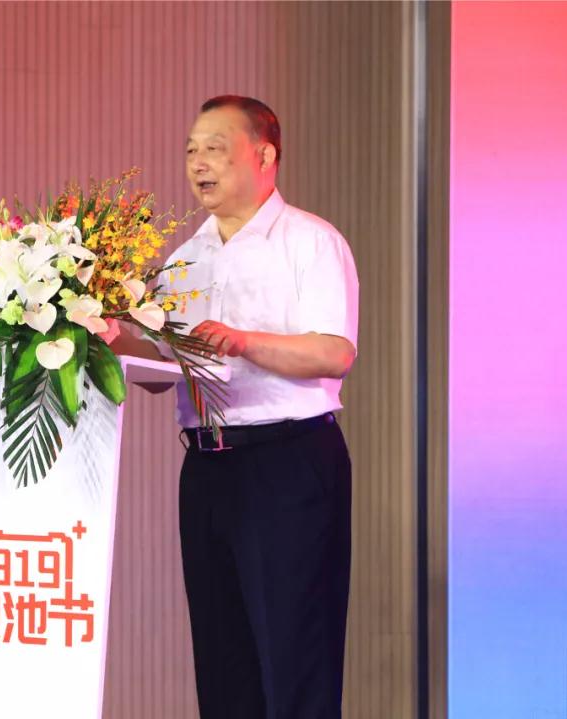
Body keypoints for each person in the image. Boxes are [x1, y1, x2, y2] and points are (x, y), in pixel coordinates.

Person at [110, 95, 359, 718]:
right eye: (191, 150)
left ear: (264, 155)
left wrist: (245, 341)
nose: (198, 163)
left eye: (215, 148)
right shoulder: (184, 259)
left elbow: (334, 353)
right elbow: (166, 371)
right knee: (223, 660)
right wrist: (109, 339)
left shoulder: (310, 241)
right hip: (207, 469)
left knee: (295, 656)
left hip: (288, 463)